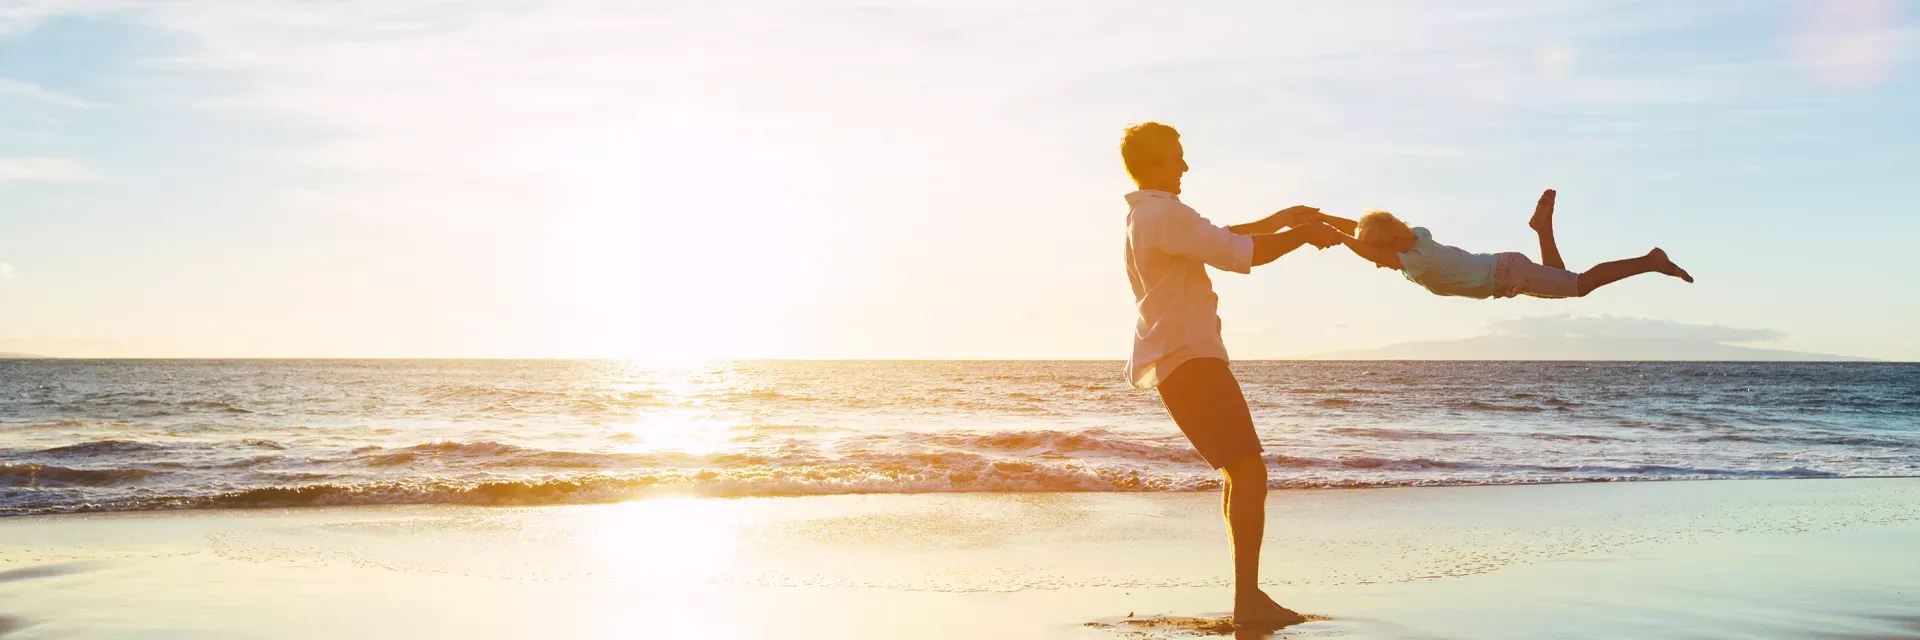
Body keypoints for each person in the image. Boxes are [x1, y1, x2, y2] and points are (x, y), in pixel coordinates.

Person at [1120, 121, 1346, 628]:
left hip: (1184, 360)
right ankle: (1249, 601)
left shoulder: (1149, 215)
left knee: (1241, 472)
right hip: (1191, 359)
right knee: (1249, 471)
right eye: (1177, 156)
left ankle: (1249, 596)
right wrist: (1301, 235)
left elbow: (1220, 240)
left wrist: (1281, 219)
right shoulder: (1163, 212)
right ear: (1156, 162)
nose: (1185, 165)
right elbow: (1241, 252)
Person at [1318, 189, 1692, 299]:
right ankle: (1542, 227)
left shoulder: (1419, 259)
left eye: (1380, 257)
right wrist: (1324, 220)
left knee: (1580, 284)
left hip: (1509, 273)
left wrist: (1331, 235)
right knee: (1563, 278)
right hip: (1508, 269)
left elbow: (1368, 246)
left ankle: (1650, 260)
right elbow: (1366, 232)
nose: (1378, 264)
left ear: (1389, 246)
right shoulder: (1418, 237)